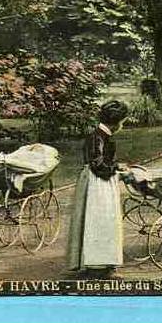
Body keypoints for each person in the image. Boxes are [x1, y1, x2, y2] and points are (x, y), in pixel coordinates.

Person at [66, 100, 128, 278]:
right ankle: (97, 264)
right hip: (97, 184)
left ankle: (103, 262)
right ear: (115, 122)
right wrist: (115, 168)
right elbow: (98, 164)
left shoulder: (102, 135)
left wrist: (115, 166)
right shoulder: (98, 137)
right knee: (100, 220)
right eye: (122, 121)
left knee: (104, 220)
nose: (122, 125)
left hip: (101, 181)